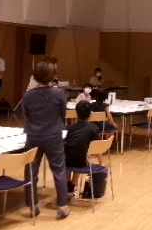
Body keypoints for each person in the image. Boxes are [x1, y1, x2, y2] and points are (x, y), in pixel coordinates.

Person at [22, 57, 70, 220]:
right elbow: (63, 114)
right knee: (59, 170)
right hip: (53, 135)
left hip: (33, 136)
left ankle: (32, 206)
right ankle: (62, 207)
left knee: (30, 171)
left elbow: (26, 115)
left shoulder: (27, 95)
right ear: (52, 75)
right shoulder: (59, 93)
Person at [64, 100, 100, 196]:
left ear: (76, 113)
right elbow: (97, 147)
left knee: (70, 154)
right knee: (80, 155)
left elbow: (66, 142)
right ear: (90, 113)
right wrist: (101, 162)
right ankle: (73, 184)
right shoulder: (94, 128)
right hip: (81, 160)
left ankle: (67, 185)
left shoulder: (70, 127)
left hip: (66, 159)